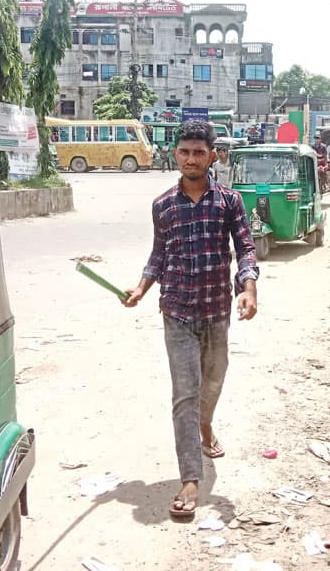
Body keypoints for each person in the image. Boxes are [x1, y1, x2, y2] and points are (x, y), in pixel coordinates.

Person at [122, 120, 259, 519]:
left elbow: (246, 248)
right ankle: (190, 478)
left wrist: (247, 288)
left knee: (212, 383)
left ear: (212, 156)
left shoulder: (229, 201)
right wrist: (142, 287)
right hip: (177, 312)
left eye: (199, 152)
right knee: (185, 393)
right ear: (176, 154)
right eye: (184, 152)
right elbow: (159, 255)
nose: (191, 159)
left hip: (217, 310)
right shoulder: (163, 205)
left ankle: (206, 427)